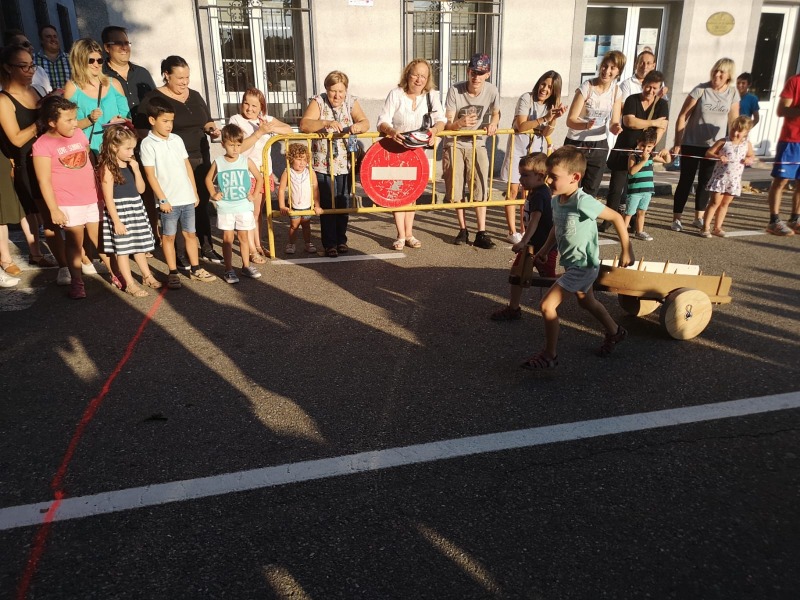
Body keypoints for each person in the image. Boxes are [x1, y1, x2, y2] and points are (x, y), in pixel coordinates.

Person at [520, 146, 632, 370]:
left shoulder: (583, 201)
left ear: (575, 178)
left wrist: (627, 250)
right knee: (586, 301)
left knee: (547, 306)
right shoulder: (556, 201)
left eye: (554, 177)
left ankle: (550, 355)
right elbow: (557, 228)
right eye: (548, 175)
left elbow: (617, 218)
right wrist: (544, 250)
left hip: (583, 266)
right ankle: (615, 331)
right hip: (573, 265)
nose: (548, 181)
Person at [138, 56, 222, 263]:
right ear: (166, 75)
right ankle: (180, 253)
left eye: (187, 77)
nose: (185, 82)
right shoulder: (154, 99)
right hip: (173, 162)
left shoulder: (195, 95)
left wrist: (212, 129)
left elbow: (206, 120)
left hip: (200, 156)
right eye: (180, 78)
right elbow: (143, 130)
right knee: (176, 207)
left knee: (200, 202)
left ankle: (206, 247)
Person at [0, 43, 66, 279]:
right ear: (8, 68)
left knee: (62, 213)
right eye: (24, 66)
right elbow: (16, 139)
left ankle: (72, 260)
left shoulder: (36, 91)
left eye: (32, 65)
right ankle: (65, 267)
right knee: (47, 217)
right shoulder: (4, 100)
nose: (30, 71)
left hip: (51, 160)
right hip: (28, 165)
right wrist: (41, 120)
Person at [139, 96, 216, 289]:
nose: (169, 125)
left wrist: (194, 191)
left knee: (190, 234)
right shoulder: (148, 144)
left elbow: (186, 165)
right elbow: (150, 175)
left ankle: (196, 268)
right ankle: (173, 272)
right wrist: (162, 199)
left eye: (171, 121)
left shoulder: (177, 139)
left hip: (186, 197)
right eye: (165, 121)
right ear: (152, 120)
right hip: (169, 201)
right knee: (169, 237)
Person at [32, 96, 103, 299]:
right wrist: (54, 209)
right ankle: (77, 282)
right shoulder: (42, 145)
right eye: (69, 120)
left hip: (91, 196)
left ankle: (117, 273)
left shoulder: (78, 133)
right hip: (68, 201)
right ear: (52, 122)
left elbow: (87, 160)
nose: (75, 123)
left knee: (99, 239)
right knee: (74, 242)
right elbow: (44, 181)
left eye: (75, 118)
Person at [377, 58, 446, 250]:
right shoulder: (396, 94)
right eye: (415, 74)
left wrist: (435, 131)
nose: (419, 79)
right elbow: (382, 121)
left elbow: (441, 120)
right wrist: (391, 131)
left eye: (423, 76)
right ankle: (400, 235)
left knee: (412, 193)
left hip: (418, 152)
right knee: (399, 191)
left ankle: (409, 234)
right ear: (408, 75)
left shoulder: (431, 96)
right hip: (397, 150)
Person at [299, 70, 369, 258]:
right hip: (324, 163)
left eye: (340, 91)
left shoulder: (351, 101)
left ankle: (341, 241)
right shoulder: (319, 101)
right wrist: (326, 122)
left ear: (346, 90)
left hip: (345, 163)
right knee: (328, 204)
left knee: (343, 202)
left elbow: (365, 122)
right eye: (333, 91)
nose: (337, 95)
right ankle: (330, 243)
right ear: (326, 89)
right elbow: (305, 124)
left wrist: (358, 126)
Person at [671, 58, 740, 232]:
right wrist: (678, 142)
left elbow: (734, 123)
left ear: (729, 75)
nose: (717, 74)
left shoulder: (732, 94)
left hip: (714, 148)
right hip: (691, 143)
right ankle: (677, 218)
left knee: (706, 182)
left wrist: (736, 146)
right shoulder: (701, 90)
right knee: (685, 180)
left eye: (721, 72)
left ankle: (698, 218)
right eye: (715, 70)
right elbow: (682, 116)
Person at [443, 53, 501, 249]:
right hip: (455, 142)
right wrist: (458, 123)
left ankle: (481, 232)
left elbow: (496, 112)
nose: (476, 77)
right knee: (456, 187)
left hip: (477, 142)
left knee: (480, 186)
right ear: (468, 71)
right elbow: (447, 123)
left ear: (488, 74)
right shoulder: (455, 90)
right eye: (473, 72)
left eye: (481, 73)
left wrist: (493, 123)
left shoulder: (492, 90)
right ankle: (463, 229)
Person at [499, 70, 565, 243]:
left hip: (536, 153)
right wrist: (544, 118)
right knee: (513, 191)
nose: (544, 89)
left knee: (529, 194)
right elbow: (521, 125)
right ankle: (512, 231)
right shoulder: (526, 98)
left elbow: (546, 132)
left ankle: (525, 229)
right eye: (543, 84)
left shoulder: (552, 104)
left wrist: (554, 118)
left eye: (549, 87)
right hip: (518, 149)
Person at [490, 152, 557, 321]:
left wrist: (523, 241)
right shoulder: (535, 191)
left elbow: (535, 219)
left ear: (540, 176)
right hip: (531, 245)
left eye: (525, 175)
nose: (521, 179)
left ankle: (552, 309)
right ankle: (513, 308)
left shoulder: (541, 194)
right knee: (517, 274)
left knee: (549, 279)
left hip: (543, 247)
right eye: (520, 175)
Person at [228, 87, 293, 261]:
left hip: (264, 173)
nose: (249, 109)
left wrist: (271, 127)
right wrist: (259, 133)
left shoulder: (266, 119)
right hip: (246, 173)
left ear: (261, 107)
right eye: (246, 104)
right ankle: (251, 250)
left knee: (257, 213)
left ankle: (258, 244)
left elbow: (289, 129)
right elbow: (238, 147)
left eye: (254, 105)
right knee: (248, 214)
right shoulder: (236, 120)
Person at [98, 124, 161, 296]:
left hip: (135, 208)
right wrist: (116, 221)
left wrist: (136, 170)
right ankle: (130, 284)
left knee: (140, 246)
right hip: (120, 211)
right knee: (123, 250)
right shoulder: (108, 168)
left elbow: (141, 190)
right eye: (127, 149)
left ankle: (147, 276)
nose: (131, 152)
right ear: (114, 147)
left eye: (133, 148)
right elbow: (108, 198)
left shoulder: (130, 165)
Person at [602, 70, 669, 230]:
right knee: (616, 188)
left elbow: (662, 128)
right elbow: (629, 122)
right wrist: (653, 122)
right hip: (624, 149)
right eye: (648, 87)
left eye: (655, 88)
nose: (650, 91)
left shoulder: (662, 105)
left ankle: (632, 222)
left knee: (636, 188)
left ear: (659, 89)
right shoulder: (632, 99)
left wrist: (649, 146)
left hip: (644, 153)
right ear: (643, 84)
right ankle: (608, 220)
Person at [205, 123, 263, 284]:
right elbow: (208, 179)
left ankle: (246, 266)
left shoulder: (246, 161)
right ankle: (229, 269)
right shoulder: (219, 162)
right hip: (226, 207)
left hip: (243, 205)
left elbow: (259, 178)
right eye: (231, 145)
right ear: (223, 144)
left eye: (238, 145)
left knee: (244, 237)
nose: (235, 149)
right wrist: (213, 194)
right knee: (227, 238)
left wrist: (254, 194)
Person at [563, 50, 625, 199]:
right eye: (605, 66)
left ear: (618, 72)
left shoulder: (616, 91)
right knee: (571, 188)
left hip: (599, 145)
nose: (606, 71)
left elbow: (613, 122)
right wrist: (585, 125)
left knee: (591, 190)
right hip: (577, 142)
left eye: (612, 68)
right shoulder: (587, 87)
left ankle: (585, 214)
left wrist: (616, 127)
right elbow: (570, 120)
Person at [64, 38, 130, 154]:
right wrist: (89, 119)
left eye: (99, 60)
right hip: (89, 149)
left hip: (117, 147)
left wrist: (120, 121)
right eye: (91, 61)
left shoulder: (114, 83)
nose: (96, 65)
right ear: (80, 62)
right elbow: (67, 125)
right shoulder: (72, 87)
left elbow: (128, 117)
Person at [700, 116, 755, 238]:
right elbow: (708, 153)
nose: (735, 133)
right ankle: (705, 227)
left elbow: (751, 156)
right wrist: (718, 156)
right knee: (714, 202)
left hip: (733, 180)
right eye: (733, 129)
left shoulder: (747, 145)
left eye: (739, 131)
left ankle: (717, 227)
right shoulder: (723, 142)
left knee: (725, 204)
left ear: (746, 133)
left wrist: (749, 159)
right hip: (720, 178)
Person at [766, 72, 800, 236]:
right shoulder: (795, 81)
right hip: (791, 140)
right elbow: (781, 110)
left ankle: (795, 219)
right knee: (781, 181)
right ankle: (774, 221)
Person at [624, 127, 672, 241]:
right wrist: (643, 161)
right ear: (638, 143)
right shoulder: (633, 156)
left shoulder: (652, 156)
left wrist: (666, 152)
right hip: (635, 191)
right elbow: (632, 171)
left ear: (653, 145)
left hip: (647, 190)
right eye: (643, 146)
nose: (645, 149)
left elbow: (667, 161)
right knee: (629, 213)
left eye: (649, 147)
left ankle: (639, 231)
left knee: (642, 212)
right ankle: (623, 233)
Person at [101, 26, 157, 122]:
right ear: (107, 47)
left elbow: (156, 104)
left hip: (146, 129)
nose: (124, 48)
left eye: (126, 43)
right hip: (118, 130)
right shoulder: (101, 75)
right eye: (118, 43)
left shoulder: (142, 73)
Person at [277, 143, 320, 255]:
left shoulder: (310, 171)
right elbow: (281, 189)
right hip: (294, 206)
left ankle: (308, 243)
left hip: (307, 205)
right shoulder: (288, 172)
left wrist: (317, 205)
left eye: (305, 159)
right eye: (299, 159)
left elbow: (315, 189)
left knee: (306, 226)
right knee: (294, 226)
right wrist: (282, 206)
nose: (302, 162)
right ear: (291, 159)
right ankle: (291, 243)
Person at [33, 25, 70, 91]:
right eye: (48, 37)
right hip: (44, 97)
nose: (53, 39)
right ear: (41, 40)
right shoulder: (33, 60)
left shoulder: (71, 59)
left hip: (69, 97)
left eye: (55, 36)